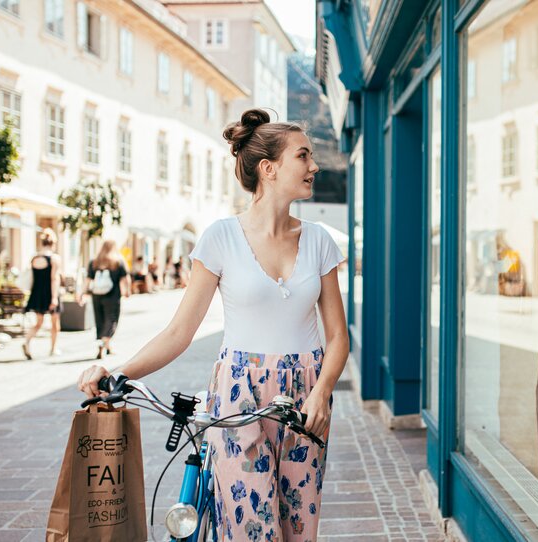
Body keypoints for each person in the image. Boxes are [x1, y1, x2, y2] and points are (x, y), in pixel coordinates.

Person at [77, 108, 348, 541]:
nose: (314, 165)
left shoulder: (318, 240)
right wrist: (118, 373)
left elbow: (338, 337)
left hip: (306, 395)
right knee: (252, 530)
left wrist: (321, 392)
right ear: (269, 168)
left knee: (299, 530)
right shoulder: (220, 238)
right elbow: (178, 332)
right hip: (238, 393)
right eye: (303, 156)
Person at [80, 240, 131, 359]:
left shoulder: (94, 262)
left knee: (100, 320)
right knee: (112, 319)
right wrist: (127, 291)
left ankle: (105, 347)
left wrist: (82, 293)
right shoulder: (118, 261)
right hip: (112, 296)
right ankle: (104, 342)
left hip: (96, 295)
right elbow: (125, 279)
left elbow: (88, 279)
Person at [23, 228, 62, 359]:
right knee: (55, 323)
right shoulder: (54, 258)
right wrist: (54, 298)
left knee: (38, 323)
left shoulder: (34, 258)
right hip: (50, 293)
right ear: (53, 243)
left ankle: (27, 341)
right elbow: (54, 279)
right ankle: (53, 348)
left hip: (37, 293)